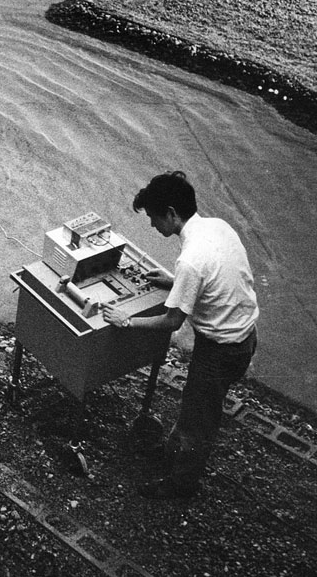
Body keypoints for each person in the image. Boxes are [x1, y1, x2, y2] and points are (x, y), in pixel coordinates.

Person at [100, 171, 259, 500]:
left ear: (171, 213)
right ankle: (173, 454)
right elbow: (215, 277)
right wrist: (174, 281)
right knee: (195, 405)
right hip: (244, 335)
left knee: (200, 417)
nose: (152, 226)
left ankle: (181, 484)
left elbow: (172, 322)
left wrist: (127, 319)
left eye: (153, 217)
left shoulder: (190, 259)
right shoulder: (217, 227)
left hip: (221, 347)